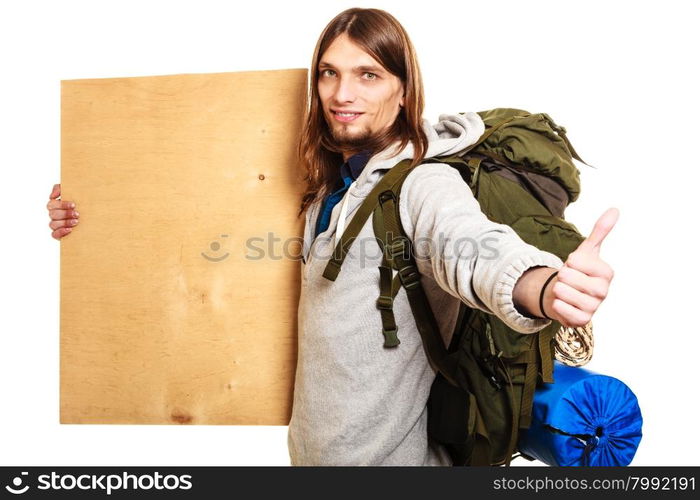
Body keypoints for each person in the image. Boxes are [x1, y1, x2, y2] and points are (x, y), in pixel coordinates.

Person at [47, 8, 617, 466]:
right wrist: (93, 216)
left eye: (369, 74)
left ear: (403, 90)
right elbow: (184, 214)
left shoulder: (424, 184)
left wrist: (541, 287)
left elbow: (471, 248)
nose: (343, 93)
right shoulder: (325, 191)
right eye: (330, 72)